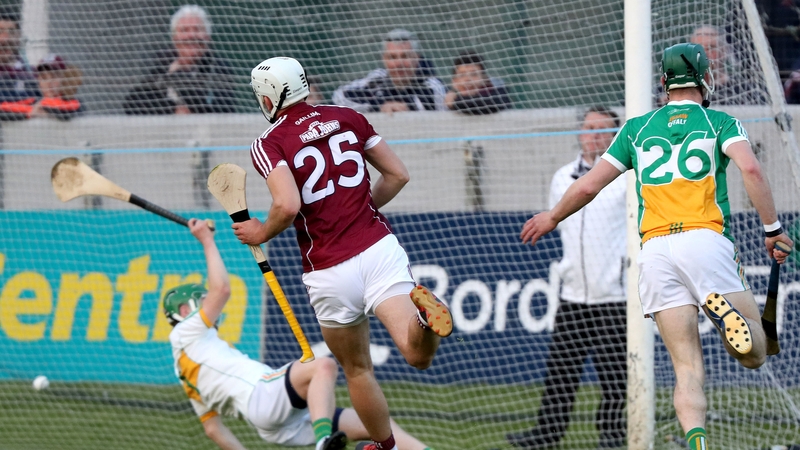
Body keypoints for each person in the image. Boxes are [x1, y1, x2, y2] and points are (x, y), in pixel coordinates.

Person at [520, 43, 793, 450]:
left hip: (656, 252)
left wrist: (553, 216)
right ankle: (721, 308)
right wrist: (772, 229)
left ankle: (697, 443)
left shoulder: (636, 128)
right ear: (705, 79)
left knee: (687, 367)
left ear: (664, 83)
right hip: (704, 240)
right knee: (755, 352)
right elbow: (750, 168)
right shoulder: (721, 122)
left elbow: (590, 184)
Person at [236, 56, 452, 450]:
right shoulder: (348, 116)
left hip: (328, 270)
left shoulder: (268, 144)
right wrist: (359, 206)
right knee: (416, 355)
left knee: (357, 369)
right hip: (376, 248)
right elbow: (398, 174)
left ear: (268, 98)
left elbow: (286, 206)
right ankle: (424, 320)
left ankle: (386, 447)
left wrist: (260, 231)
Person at [166, 218, 435, 450]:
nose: (204, 305)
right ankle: (323, 442)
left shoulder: (186, 368)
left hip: (276, 426)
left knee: (377, 424)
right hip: (263, 396)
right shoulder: (184, 333)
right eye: (198, 302)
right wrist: (206, 240)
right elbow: (221, 290)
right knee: (323, 367)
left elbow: (213, 429)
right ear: (181, 311)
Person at [506, 106, 626, 449]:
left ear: (615, 136)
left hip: (616, 296)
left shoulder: (628, 178)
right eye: (590, 128)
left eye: (604, 130)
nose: (596, 136)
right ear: (579, 133)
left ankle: (613, 435)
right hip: (574, 294)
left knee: (615, 375)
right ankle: (547, 435)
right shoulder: (562, 177)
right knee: (560, 371)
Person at [123, 4, 236, 115]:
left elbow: (222, 109)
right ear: (174, 39)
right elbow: (132, 103)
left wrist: (177, 74)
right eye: (184, 30)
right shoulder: (163, 64)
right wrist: (173, 111)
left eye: (197, 29)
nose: (191, 35)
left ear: (207, 36)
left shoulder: (218, 67)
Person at [332, 28, 447, 113]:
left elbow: (443, 115)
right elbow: (339, 97)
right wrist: (378, 107)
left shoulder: (432, 86)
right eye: (392, 57)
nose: (399, 64)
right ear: (384, 60)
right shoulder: (376, 79)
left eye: (405, 56)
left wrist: (408, 108)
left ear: (416, 58)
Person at [656, 26, 759, 106]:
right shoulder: (666, 89)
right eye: (697, 49)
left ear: (724, 52)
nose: (703, 54)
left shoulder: (746, 91)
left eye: (711, 47)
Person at [0, 11, 40, 120]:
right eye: (0, 31)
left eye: (11, 32)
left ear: (19, 36)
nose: (5, 39)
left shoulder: (33, 75)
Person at [444, 50, 511, 115]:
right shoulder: (444, 96)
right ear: (454, 81)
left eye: (474, 74)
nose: (467, 79)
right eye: (462, 75)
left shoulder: (497, 92)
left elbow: (492, 104)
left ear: (484, 79)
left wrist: (456, 102)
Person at [27, 54, 83, 120]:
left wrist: (48, 114)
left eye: (54, 76)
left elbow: (70, 115)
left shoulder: (74, 104)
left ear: (64, 79)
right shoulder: (32, 102)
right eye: (44, 77)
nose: (49, 82)